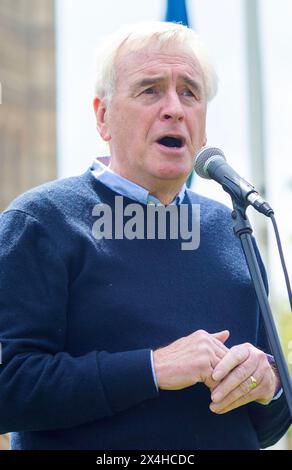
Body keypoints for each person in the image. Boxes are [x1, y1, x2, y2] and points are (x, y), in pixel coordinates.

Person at [0, 21, 290, 451]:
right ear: (103, 116)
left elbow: (269, 426)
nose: (174, 107)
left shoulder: (234, 228)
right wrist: (152, 369)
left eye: (189, 92)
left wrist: (269, 387)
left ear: (203, 123)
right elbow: (10, 390)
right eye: (150, 90)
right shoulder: (40, 222)